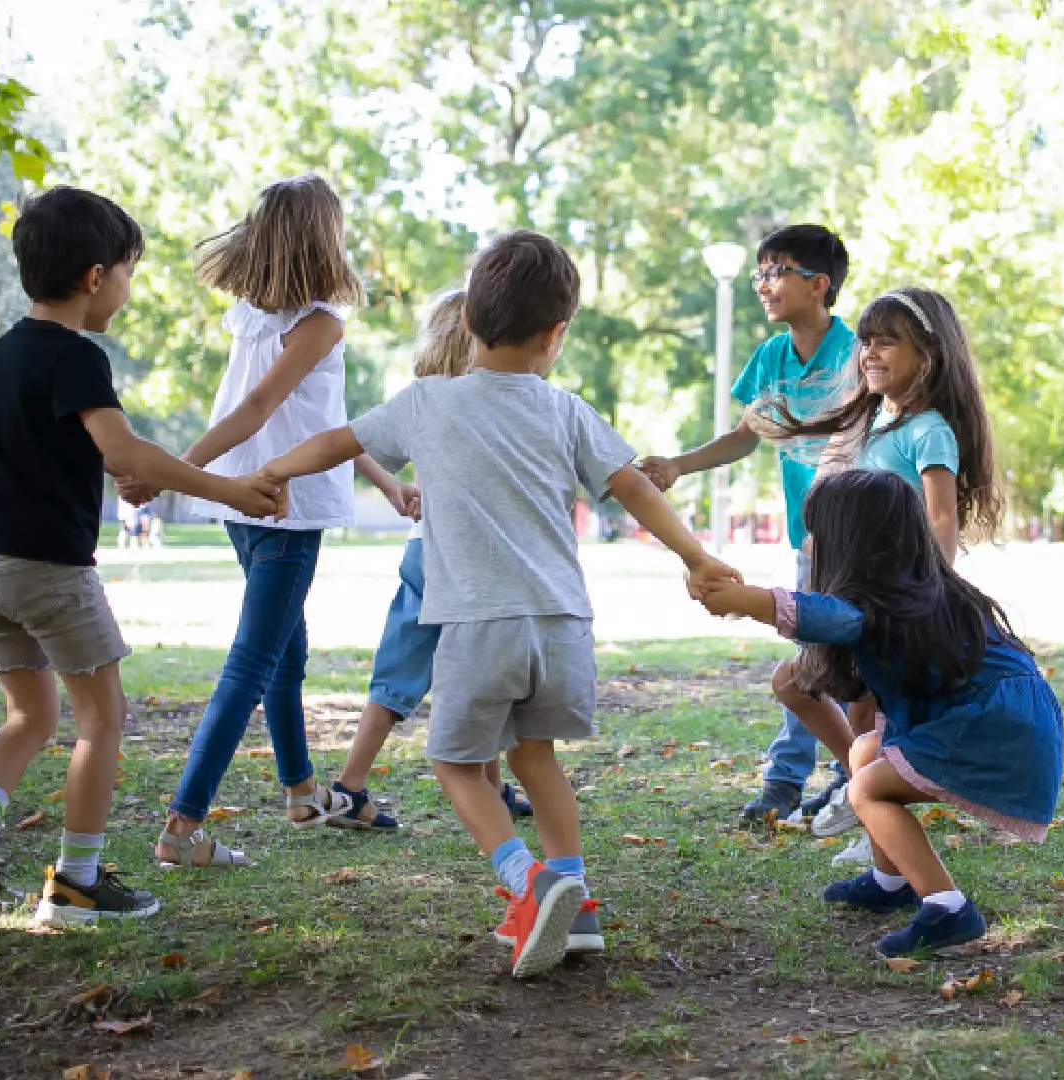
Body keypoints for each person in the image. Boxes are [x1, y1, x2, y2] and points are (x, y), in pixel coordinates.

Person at [257, 229, 739, 977]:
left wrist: (275, 470)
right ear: (557, 335)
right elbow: (635, 486)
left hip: (479, 624)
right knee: (537, 761)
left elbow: (336, 441)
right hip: (563, 626)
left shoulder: (428, 402)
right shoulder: (565, 410)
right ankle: (576, 907)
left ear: (468, 325)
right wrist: (697, 556)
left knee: (453, 762)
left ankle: (528, 882)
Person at [0, 185, 281, 933]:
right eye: (126, 272)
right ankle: (76, 883)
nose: (127, 286)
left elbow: (82, 456)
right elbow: (122, 450)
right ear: (95, 278)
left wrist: (130, 472)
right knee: (101, 718)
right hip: (48, 570)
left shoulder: (2, 356)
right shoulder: (77, 357)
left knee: (28, 714)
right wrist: (229, 489)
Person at [128, 175, 419, 870]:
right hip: (282, 505)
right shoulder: (318, 322)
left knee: (287, 649)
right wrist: (170, 470)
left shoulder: (253, 317)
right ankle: (183, 825)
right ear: (326, 237)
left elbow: (323, 420)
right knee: (255, 661)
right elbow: (259, 408)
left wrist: (384, 477)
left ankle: (300, 791)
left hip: (243, 499)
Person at [695, 470, 1062, 956]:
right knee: (866, 752)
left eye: (815, 533)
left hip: (994, 729)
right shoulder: (915, 592)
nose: (807, 544)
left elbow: (827, 615)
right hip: (996, 722)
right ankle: (890, 882)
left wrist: (746, 601)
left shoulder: (881, 605)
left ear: (851, 543)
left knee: (866, 787)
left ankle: (948, 908)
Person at [755, 286, 1004, 853]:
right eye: (866, 341)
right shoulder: (869, 425)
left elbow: (941, 519)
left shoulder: (930, 431)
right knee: (796, 684)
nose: (870, 351)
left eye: (888, 341)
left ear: (929, 355)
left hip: (898, 603)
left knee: (867, 708)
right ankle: (859, 785)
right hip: (853, 597)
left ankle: (874, 814)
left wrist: (934, 594)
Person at [639, 224, 857, 825]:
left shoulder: (858, 353)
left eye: (776, 272)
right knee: (811, 657)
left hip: (860, 542)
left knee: (826, 661)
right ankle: (832, 777)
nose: (763, 284)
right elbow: (745, 436)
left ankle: (804, 781)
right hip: (809, 541)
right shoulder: (771, 358)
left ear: (818, 285)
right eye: (759, 273)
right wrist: (678, 465)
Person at [326, 290, 531, 832]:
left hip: (424, 550)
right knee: (479, 670)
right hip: (464, 557)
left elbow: (355, 440)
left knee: (404, 674)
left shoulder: (423, 398)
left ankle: (353, 787)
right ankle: (356, 788)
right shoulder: (487, 401)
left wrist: (402, 486)